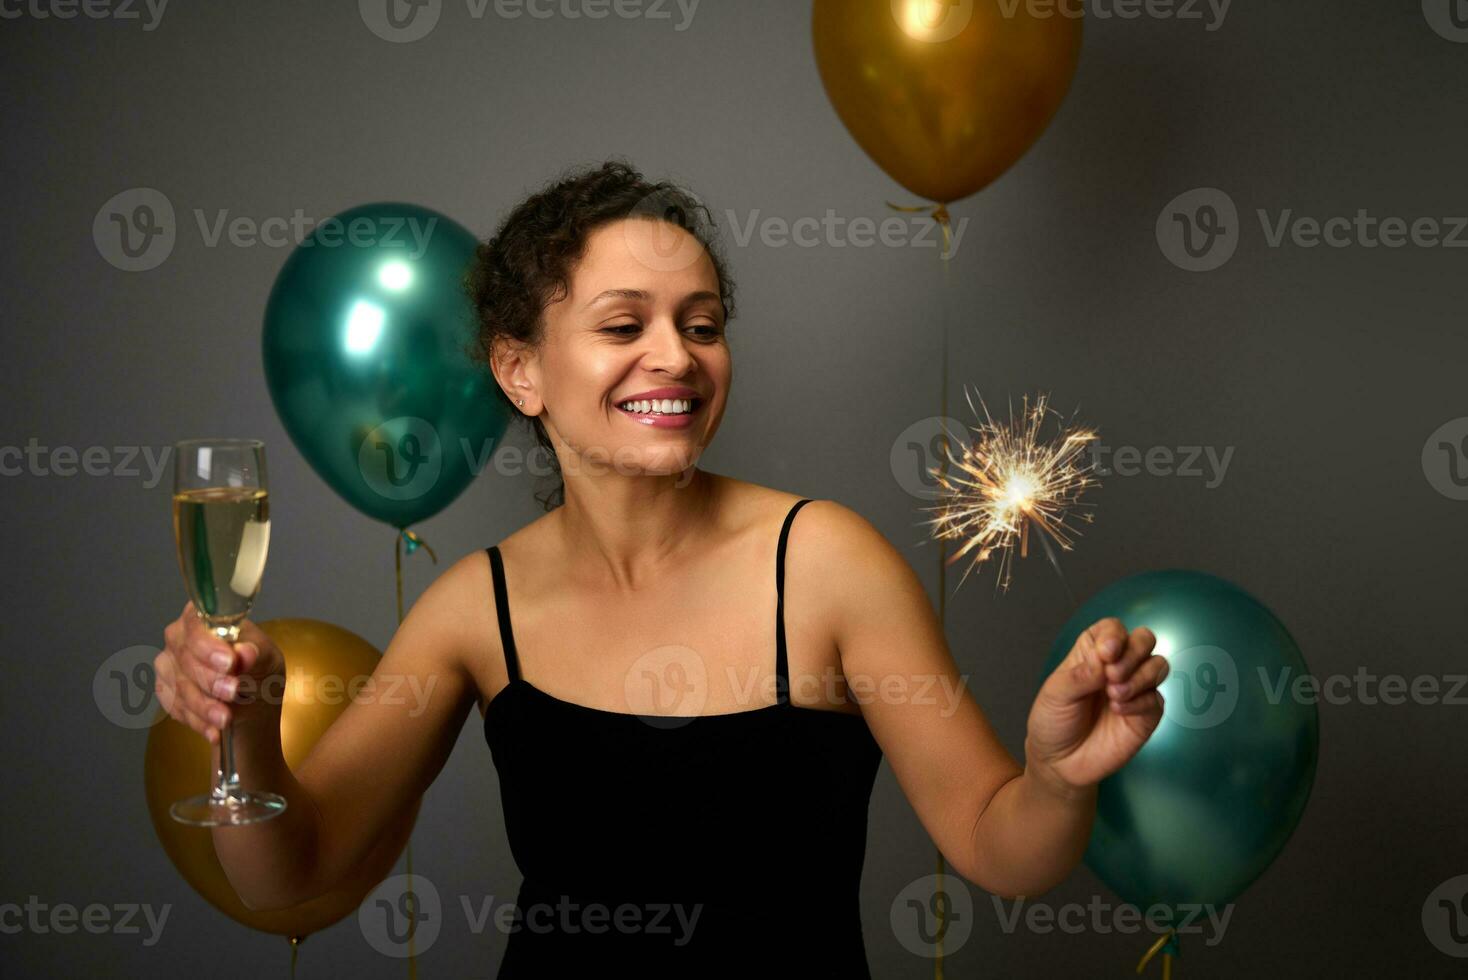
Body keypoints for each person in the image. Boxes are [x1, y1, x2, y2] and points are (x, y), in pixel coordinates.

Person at [154, 160, 1168, 976]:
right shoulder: (476, 607)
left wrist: (1053, 777)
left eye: (702, 322)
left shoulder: (826, 563)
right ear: (520, 371)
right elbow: (289, 877)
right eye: (621, 324)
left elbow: (1003, 848)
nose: (676, 356)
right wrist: (241, 729)